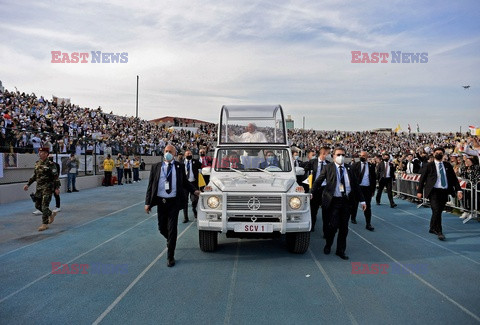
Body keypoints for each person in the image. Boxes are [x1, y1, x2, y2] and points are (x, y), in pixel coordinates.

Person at [145, 145, 200, 267]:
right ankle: (170, 239)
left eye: (170, 151)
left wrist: (195, 191)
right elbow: (150, 186)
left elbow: (185, 183)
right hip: (161, 202)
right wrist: (147, 203)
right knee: (161, 228)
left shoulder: (179, 167)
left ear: (174, 154)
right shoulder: (156, 167)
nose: (168, 153)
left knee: (172, 228)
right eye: (166, 151)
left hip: (174, 202)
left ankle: (170, 256)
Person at [312, 147, 366, 260]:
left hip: (346, 202)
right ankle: (328, 244)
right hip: (333, 201)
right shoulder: (328, 168)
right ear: (333, 156)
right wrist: (311, 192)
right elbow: (318, 181)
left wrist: (362, 200)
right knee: (332, 226)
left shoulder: (349, 168)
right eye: (338, 154)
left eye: (343, 154)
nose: (341, 157)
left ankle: (340, 250)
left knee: (344, 228)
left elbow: (356, 186)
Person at [417, 147, 462, 241]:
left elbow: (454, 179)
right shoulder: (429, 165)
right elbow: (422, 179)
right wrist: (419, 191)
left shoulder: (447, 165)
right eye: (436, 152)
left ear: (443, 154)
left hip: (444, 191)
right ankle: (439, 231)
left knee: (438, 211)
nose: (438, 154)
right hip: (433, 191)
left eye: (440, 153)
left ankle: (432, 227)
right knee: (436, 210)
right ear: (433, 154)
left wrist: (459, 190)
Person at [23, 148, 61, 231]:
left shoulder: (51, 164)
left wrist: (57, 188)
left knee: (44, 206)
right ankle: (51, 214)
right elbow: (34, 176)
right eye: (39, 152)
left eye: (42, 152)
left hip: (48, 187)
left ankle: (45, 224)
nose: (40, 154)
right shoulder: (37, 163)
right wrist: (28, 184)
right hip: (39, 188)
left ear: (46, 154)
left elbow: (56, 177)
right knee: (37, 205)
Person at [305, 146, 331, 234]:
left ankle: (326, 231)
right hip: (314, 189)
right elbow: (304, 171)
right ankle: (312, 226)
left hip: (325, 189)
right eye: (328, 153)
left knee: (326, 211)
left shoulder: (329, 164)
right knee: (313, 209)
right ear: (323, 153)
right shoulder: (312, 162)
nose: (329, 155)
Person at [350, 151, 376, 231]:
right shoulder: (355, 165)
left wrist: (373, 190)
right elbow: (351, 177)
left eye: (364, 155)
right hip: (357, 188)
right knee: (354, 204)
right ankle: (353, 217)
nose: (362, 157)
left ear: (367, 157)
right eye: (361, 155)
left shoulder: (371, 166)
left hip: (367, 189)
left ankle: (368, 223)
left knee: (367, 206)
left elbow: (374, 179)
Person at [181, 149, 201, 223]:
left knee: (195, 199)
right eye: (187, 154)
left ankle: (193, 208)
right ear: (184, 155)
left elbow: (202, 166)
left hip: (193, 184)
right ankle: (185, 217)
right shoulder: (181, 163)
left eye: (190, 154)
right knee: (184, 201)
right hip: (185, 184)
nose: (189, 155)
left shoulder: (195, 161)